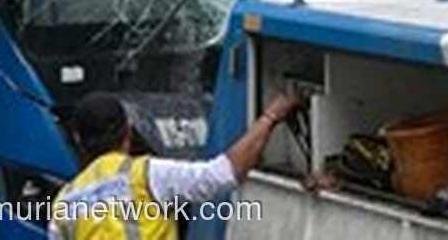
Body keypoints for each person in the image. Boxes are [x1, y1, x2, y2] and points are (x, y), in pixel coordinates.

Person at [48, 91, 303, 240]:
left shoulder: (65, 201)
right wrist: (271, 117)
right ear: (128, 132)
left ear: (79, 141)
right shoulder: (147, 174)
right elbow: (224, 173)